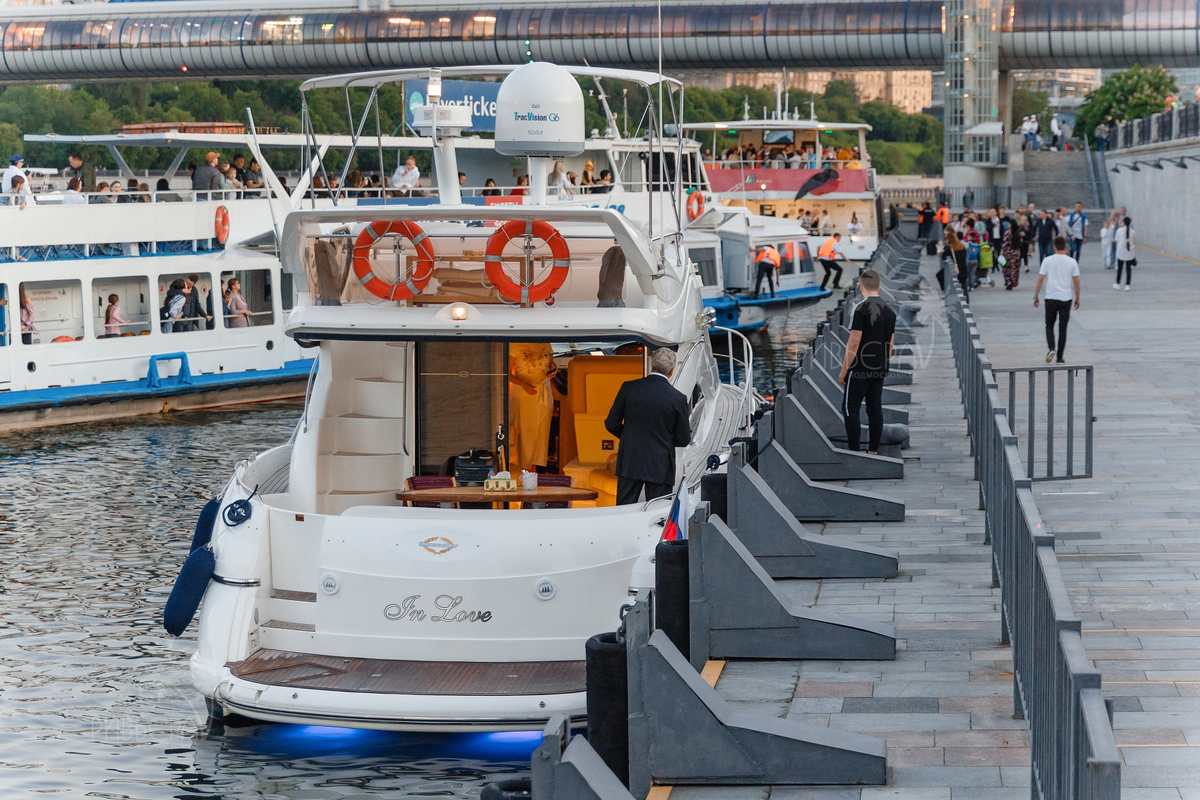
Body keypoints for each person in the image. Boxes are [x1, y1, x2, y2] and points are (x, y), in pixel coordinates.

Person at [604, 347, 692, 506]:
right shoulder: (678, 398)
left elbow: (611, 423)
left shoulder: (629, 388)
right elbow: (684, 439)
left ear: (652, 364)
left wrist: (628, 436)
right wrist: (664, 440)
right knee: (657, 513)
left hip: (630, 461)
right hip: (660, 464)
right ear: (672, 370)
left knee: (623, 510)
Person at [838, 269, 896, 454]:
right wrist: (883, 363)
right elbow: (890, 344)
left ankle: (854, 451)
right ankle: (873, 450)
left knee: (850, 407)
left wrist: (844, 369)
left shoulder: (860, 309)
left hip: (860, 367)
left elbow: (854, 342)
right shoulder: (889, 311)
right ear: (879, 285)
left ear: (861, 286)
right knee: (874, 409)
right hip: (880, 367)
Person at [1032, 236, 1081, 364]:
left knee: (1049, 325)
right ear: (1066, 246)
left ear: (1053, 246)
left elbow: (1040, 279)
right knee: (1063, 328)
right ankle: (1060, 356)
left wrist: (1036, 295)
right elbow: (1076, 282)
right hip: (1066, 298)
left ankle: (1051, 348)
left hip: (1050, 297)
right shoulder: (1072, 262)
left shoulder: (1047, 261)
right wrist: (1077, 298)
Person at [945, 229, 969, 302]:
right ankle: (966, 301)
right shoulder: (962, 246)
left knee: (956, 287)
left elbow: (944, 257)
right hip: (963, 269)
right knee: (964, 287)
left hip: (956, 270)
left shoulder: (950, 248)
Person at [1114, 216, 1135, 291]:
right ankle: (1127, 285)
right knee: (1128, 269)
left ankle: (1118, 284)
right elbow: (1132, 241)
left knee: (1120, 268)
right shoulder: (1133, 231)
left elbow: (1116, 239)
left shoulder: (1119, 230)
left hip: (1121, 252)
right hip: (1130, 252)